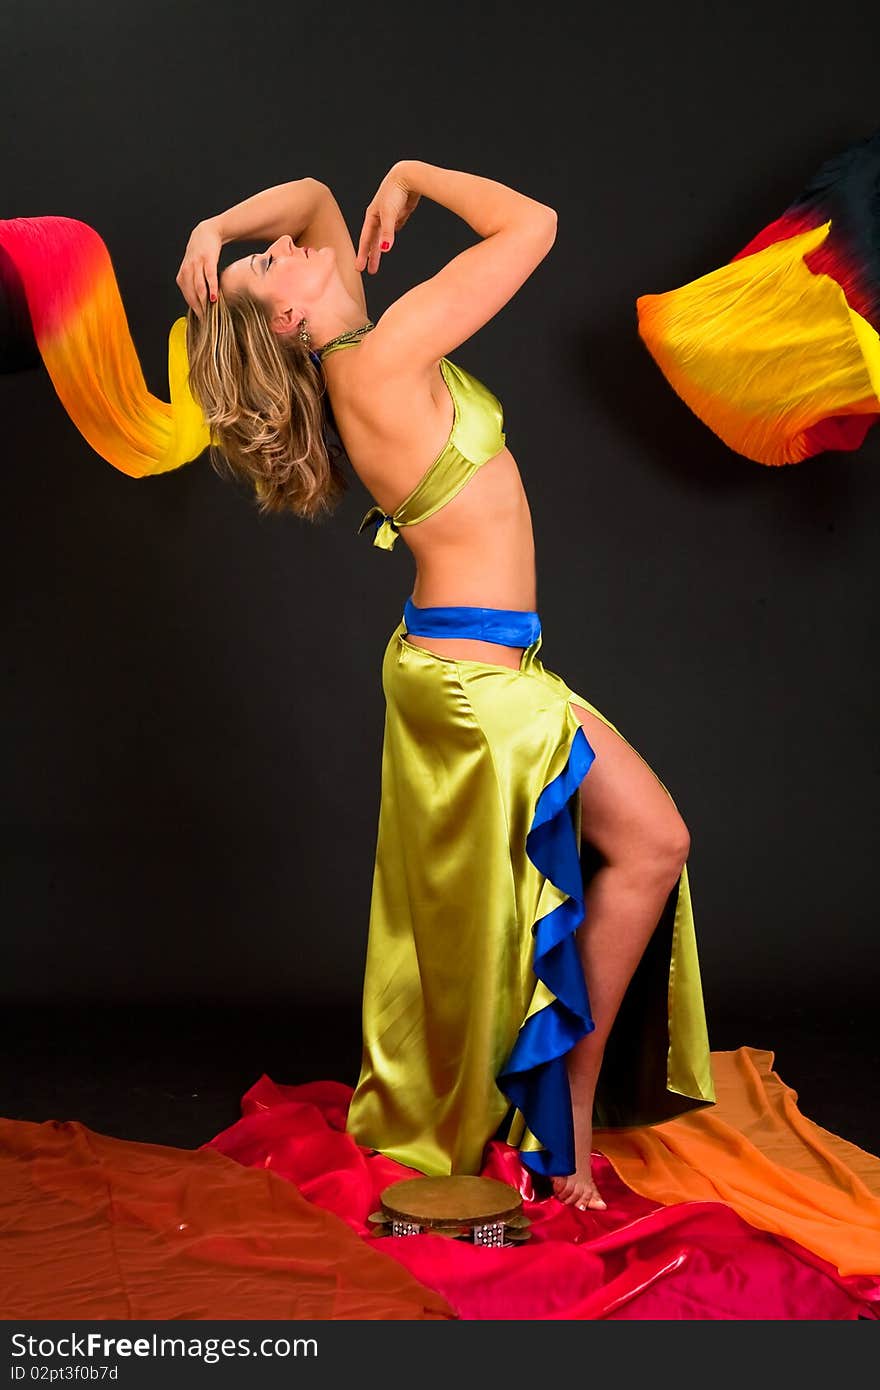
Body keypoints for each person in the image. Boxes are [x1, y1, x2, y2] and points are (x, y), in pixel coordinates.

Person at [178, 160, 715, 1213]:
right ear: (290, 315)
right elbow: (535, 220)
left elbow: (310, 201)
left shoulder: (360, 343)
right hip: (476, 686)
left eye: (273, 249)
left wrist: (216, 223)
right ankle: (562, 1147)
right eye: (268, 264)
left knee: (639, 851)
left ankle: (558, 1130)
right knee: (652, 843)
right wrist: (417, 174)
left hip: (476, 663)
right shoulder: (380, 360)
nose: (285, 246)